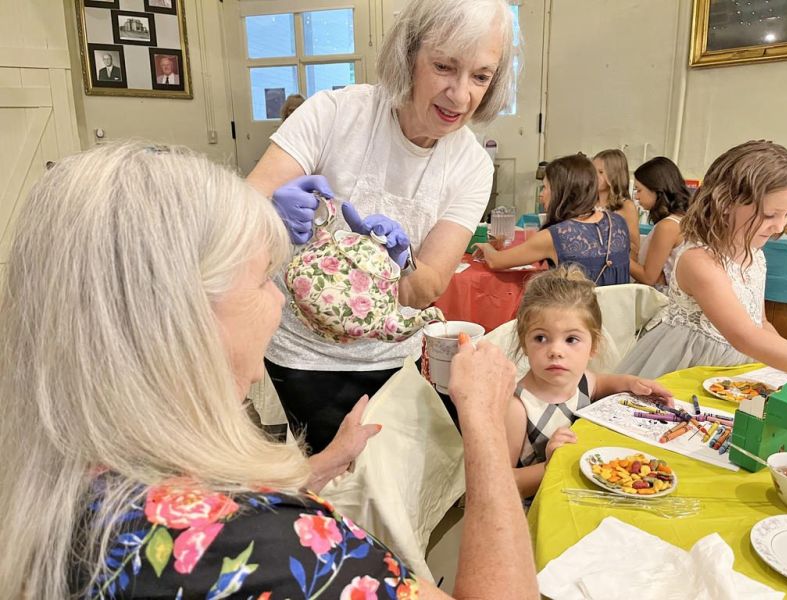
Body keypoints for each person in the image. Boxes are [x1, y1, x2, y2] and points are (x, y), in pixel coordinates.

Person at [0, 142, 539, 599]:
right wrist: (485, 425)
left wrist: (319, 467)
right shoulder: (271, 549)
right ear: (181, 317)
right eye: (264, 280)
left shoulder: (62, 482)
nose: (280, 305)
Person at [247, 0, 518, 452]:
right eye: (444, 66)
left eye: (480, 76)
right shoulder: (333, 114)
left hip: (391, 358)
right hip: (298, 356)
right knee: (318, 487)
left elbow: (426, 287)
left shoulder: (471, 164)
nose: (460, 95)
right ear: (408, 55)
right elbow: (238, 212)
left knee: (384, 482)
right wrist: (268, 211)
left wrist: (407, 262)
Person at [619, 140, 787, 378]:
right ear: (725, 203)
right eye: (769, 215)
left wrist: (779, 369)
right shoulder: (700, 262)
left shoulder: (755, 256)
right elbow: (744, 335)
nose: (779, 226)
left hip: (734, 367)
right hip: (688, 367)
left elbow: (760, 323)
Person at [504, 266, 672, 501]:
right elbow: (504, 484)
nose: (555, 351)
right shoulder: (518, 407)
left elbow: (601, 383)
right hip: (539, 508)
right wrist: (551, 464)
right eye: (540, 338)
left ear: (593, 346)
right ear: (524, 343)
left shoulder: (582, 379)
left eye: (571, 339)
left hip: (582, 490)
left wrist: (634, 383)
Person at [475, 154, 631, 285]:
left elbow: (497, 261)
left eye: (545, 187)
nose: (541, 194)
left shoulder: (556, 236)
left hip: (577, 316)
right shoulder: (618, 222)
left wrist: (485, 246)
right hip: (617, 316)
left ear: (560, 192)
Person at [629, 156, 692, 293]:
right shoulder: (683, 219)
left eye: (639, 190)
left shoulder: (668, 226)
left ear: (657, 190)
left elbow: (648, 277)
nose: (637, 197)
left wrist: (617, 256)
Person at [594, 149, 640, 260]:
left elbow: (634, 248)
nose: (594, 176)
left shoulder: (626, 206)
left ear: (614, 176)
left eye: (600, 172)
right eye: (592, 171)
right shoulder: (586, 202)